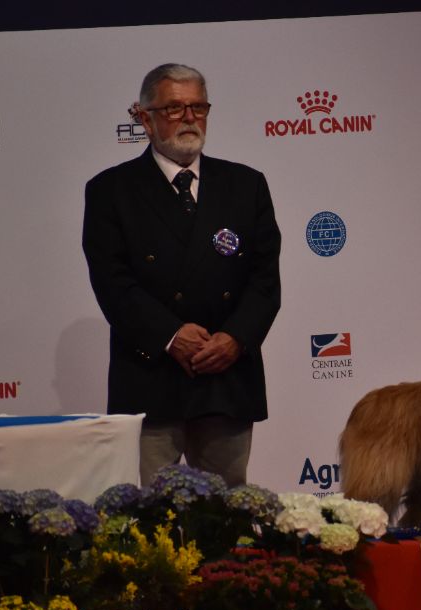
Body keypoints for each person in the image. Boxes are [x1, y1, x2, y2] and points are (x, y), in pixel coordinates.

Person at [83, 63, 281, 488]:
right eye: (174, 108)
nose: (190, 118)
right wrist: (171, 335)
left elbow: (265, 280)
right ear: (143, 117)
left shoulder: (247, 185)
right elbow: (113, 283)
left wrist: (235, 339)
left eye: (198, 106)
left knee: (228, 515)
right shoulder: (110, 191)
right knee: (154, 522)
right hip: (150, 378)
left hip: (226, 378)